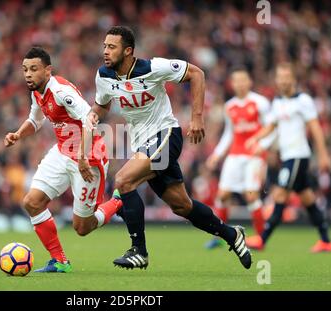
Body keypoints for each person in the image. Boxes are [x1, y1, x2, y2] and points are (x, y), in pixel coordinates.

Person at [87, 26, 252, 269]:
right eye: (104, 46)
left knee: (123, 180)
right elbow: (102, 105)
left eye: (111, 47)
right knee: (182, 206)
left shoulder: (152, 68)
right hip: (143, 144)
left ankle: (139, 251)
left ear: (128, 51)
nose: (105, 51)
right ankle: (232, 235)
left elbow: (197, 73)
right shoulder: (104, 76)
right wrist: (93, 115)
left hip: (166, 135)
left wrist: (197, 117)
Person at [4, 47, 122, 273]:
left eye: (34, 69)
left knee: (82, 228)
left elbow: (90, 119)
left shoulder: (60, 91)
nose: (28, 74)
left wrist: (82, 157)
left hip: (89, 157)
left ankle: (118, 201)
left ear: (48, 71)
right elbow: (35, 121)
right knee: (31, 202)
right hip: (62, 151)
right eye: (25, 70)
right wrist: (18, 134)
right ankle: (60, 261)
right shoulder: (37, 92)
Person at [245, 63, 331, 253]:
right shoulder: (277, 102)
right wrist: (256, 139)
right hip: (287, 156)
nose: (283, 80)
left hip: (297, 156)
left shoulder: (303, 100)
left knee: (279, 194)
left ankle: (263, 238)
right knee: (308, 198)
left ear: (294, 79)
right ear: (276, 79)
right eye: (280, 77)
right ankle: (326, 240)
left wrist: (323, 155)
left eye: (287, 77)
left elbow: (315, 128)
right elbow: (271, 126)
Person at [205, 68, 275, 249]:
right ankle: (218, 237)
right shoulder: (230, 106)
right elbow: (229, 134)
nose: (240, 84)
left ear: (249, 82)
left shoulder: (260, 102)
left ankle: (261, 238)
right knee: (222, 195)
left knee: (251, 195)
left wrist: (263, 146)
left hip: (254, 156)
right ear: (232, 84)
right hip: (235, 155)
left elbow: (271, 128)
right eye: (236, 81)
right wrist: (216, 155)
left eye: (243, 80)